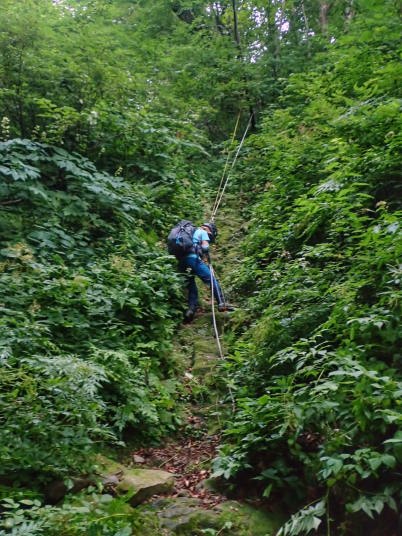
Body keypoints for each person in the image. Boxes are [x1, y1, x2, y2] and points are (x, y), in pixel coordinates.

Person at [178, 222, 234, 322]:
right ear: (209, 230)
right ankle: (222, 303)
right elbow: (205, 247)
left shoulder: (191, 232)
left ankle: (190, 311)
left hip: (182, 262)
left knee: (191, 286)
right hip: (193, 259)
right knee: (212, 280)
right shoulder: (203, 232)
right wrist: (207, 257)